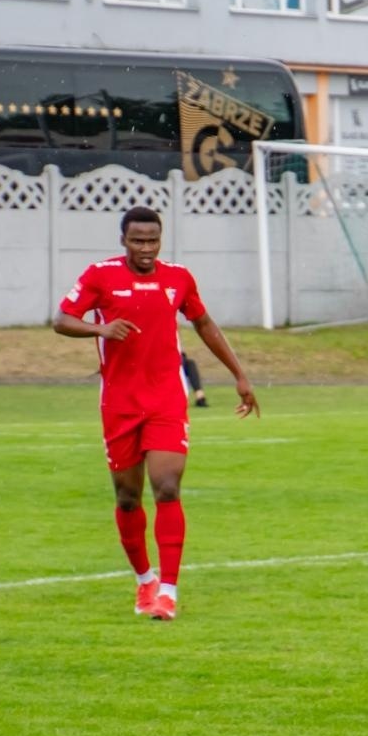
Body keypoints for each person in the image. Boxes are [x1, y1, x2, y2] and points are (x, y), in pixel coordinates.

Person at [54, 205, 260, 621]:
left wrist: (239, 374)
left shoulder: (178, 278)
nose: (146, 249)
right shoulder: (100, 275)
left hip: (166, 398)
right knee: (128, 498)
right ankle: (144, 579)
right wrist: (100, 329)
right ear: (123, 241)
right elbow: (61, 319)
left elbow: (204, 324)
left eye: (152, 240)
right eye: (137, 241)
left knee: (167, 486)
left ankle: (167, 591)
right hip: (119, 402)